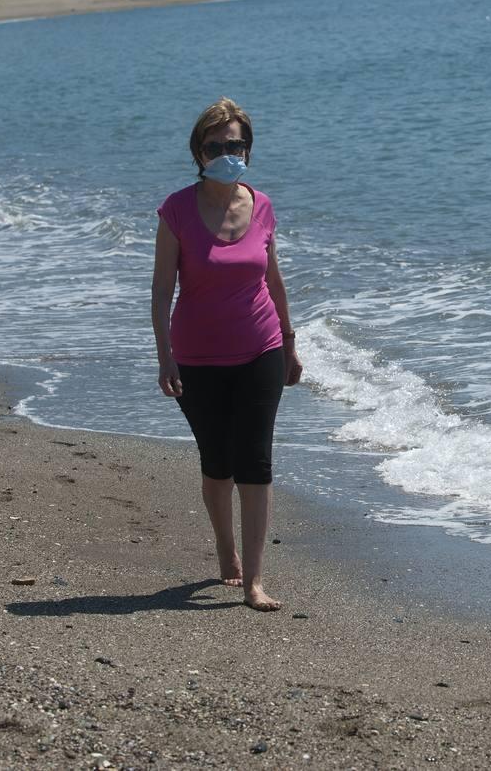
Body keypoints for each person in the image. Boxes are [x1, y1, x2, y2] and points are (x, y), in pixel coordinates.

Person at [151, 98, 302, 612]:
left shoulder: (261, 205)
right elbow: (160, 291)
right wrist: (164, 356)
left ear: (248, 149)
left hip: (259, 348)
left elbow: (273, 278)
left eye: (234, 144)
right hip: (196, 357)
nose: (225, 153)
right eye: (215, 146)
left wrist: (290, 341)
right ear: (198, 152)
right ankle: (224, 546)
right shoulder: (175, 210)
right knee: (217, 463)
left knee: (255, 461)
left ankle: (256, 580)